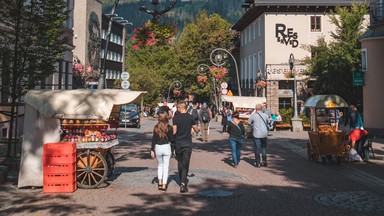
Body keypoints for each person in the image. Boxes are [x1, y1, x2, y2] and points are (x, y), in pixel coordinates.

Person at [173, 101, 200, 193]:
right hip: (187, 142)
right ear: (186, 108)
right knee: (186, 163)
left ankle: (181, 179)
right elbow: (196, 129)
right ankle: (183, 183)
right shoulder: (190, 117)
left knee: (180, 162)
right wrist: (198, 129)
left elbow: (174, 131)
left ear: (180, 108)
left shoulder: (175, 118)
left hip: (178, 142)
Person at [150, 111, 175, 191]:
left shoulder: (156, 127)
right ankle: (164, 185)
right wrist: (173, 149)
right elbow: (172, 140)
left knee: (160, 165)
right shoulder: (169, 128)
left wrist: (152, 149)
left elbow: (153, 139)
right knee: (166, 166)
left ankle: (159, 182)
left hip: (158, 147)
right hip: (166, 147)